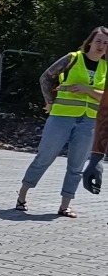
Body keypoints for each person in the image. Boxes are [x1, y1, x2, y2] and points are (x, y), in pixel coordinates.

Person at [15, 25, 108, 218]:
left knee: (76, 165)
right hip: (62, 117)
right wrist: (49, 102)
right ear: (90, 42)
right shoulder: (73, 58)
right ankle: (22, 196)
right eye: (98, 41)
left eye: (105, 43)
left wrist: (87, 89)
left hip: (89, 122)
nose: (101, 45)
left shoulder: (106, 68)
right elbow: (45, 78)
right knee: (44, 158)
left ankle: (65, 206)